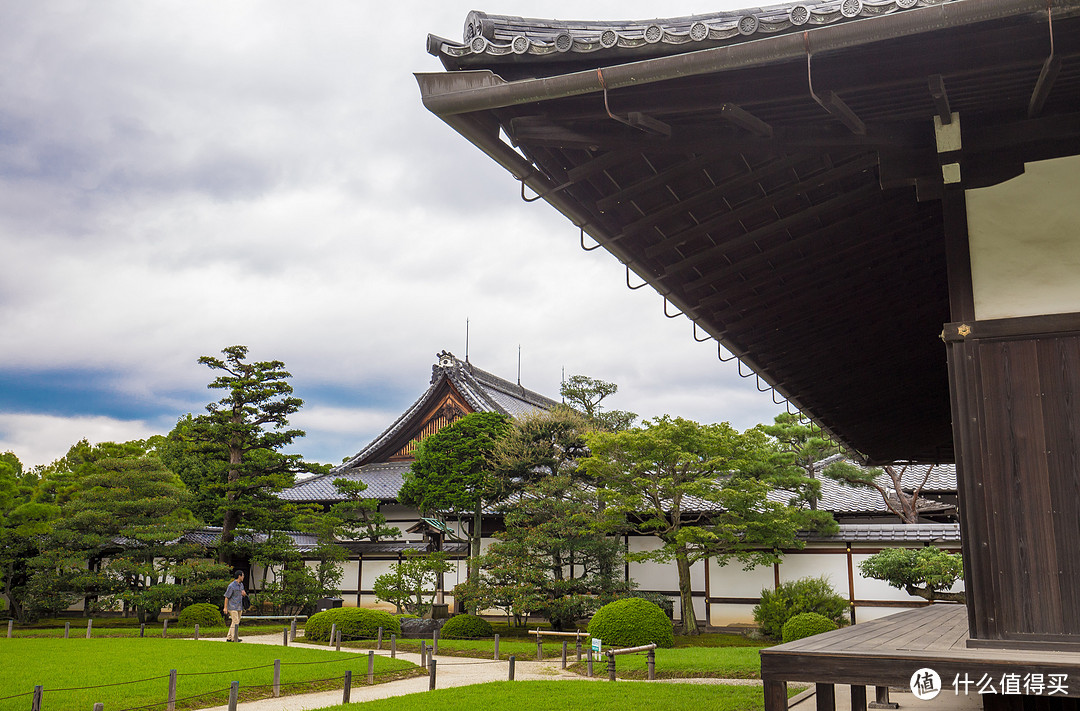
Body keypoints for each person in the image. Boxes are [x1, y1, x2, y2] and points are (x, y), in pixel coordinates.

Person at [223, 570, 247, 642]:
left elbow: (242, 594)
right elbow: (227, 597)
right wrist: (225, 607)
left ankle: (229, 637)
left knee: (235, 622)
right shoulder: (231, 586)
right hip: (232, 607)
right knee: (235, 621)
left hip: (239, 606)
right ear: (239, 576)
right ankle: (234, 638)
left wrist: (244, 594)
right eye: (242, 575)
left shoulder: (241, 585)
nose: (243, 577)